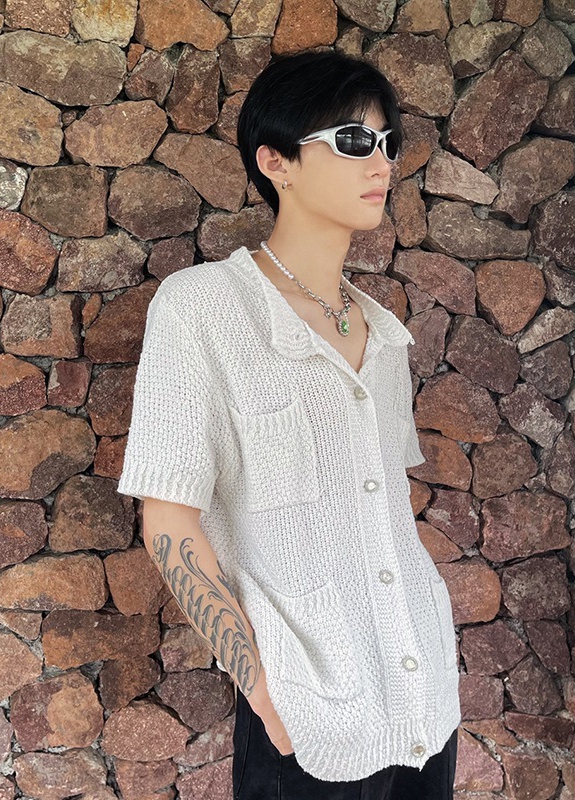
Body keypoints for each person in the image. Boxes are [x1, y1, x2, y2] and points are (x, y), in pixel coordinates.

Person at [116, 48, 461, 800]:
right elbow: (168, 519)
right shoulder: (203, 308)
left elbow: (381, 512)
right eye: (354, 140)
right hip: (308, 719)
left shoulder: (383, 335)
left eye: (388, 142)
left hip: (425, 698)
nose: (382, 162)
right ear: (276, 162)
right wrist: (264, 690)